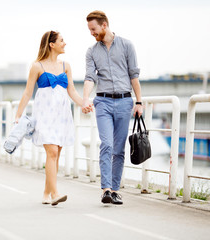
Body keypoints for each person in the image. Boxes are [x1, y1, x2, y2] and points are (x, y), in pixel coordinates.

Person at [15, 31, 85, 206]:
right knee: (52, 152)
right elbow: (27, 92)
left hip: (61, 115)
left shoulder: (66, 66)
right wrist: (18, 114)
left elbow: (72, 91)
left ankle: (46, 193)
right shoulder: (37, 66)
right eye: (62, 40)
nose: (65, 43)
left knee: (56, 154)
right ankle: (55, 194)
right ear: (51, 44)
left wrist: (84, 104)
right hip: (44, 115)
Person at [82, 10, 143, 205]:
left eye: (93, 29)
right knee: (106, 144)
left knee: (119, 149)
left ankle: (115, 190)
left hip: (125, 102)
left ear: (104, 25)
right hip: (103, 102)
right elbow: (90, 77)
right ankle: (105, 189)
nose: (91, 33)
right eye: (89, 29)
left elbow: (134, 75)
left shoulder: (126, 45)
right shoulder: (92, 51)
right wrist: (85, 99)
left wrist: (139, 101)